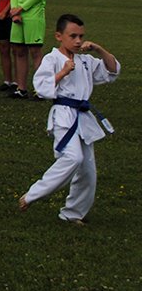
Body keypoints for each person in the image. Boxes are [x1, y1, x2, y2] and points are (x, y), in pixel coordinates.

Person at [18, 14, 119, 225]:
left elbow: (112, 70)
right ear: (59, 36)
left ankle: (72, 213)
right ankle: (33, 194)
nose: (78, 41)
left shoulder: (85, 60)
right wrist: (62, 72)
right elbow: (42, 88)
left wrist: (99, 49)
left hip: (83, 116)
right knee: (73, 158)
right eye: (73, 36)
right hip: (63, 114)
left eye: (81, 36)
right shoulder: (52, 59)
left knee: (88, 171)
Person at [9, 0, 50, 100]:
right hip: (18, 15)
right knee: (18, 51)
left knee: (35, 51)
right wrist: (14, 10)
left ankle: (41, 89)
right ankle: (21, 88)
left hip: (33, 15)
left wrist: (21, 7)